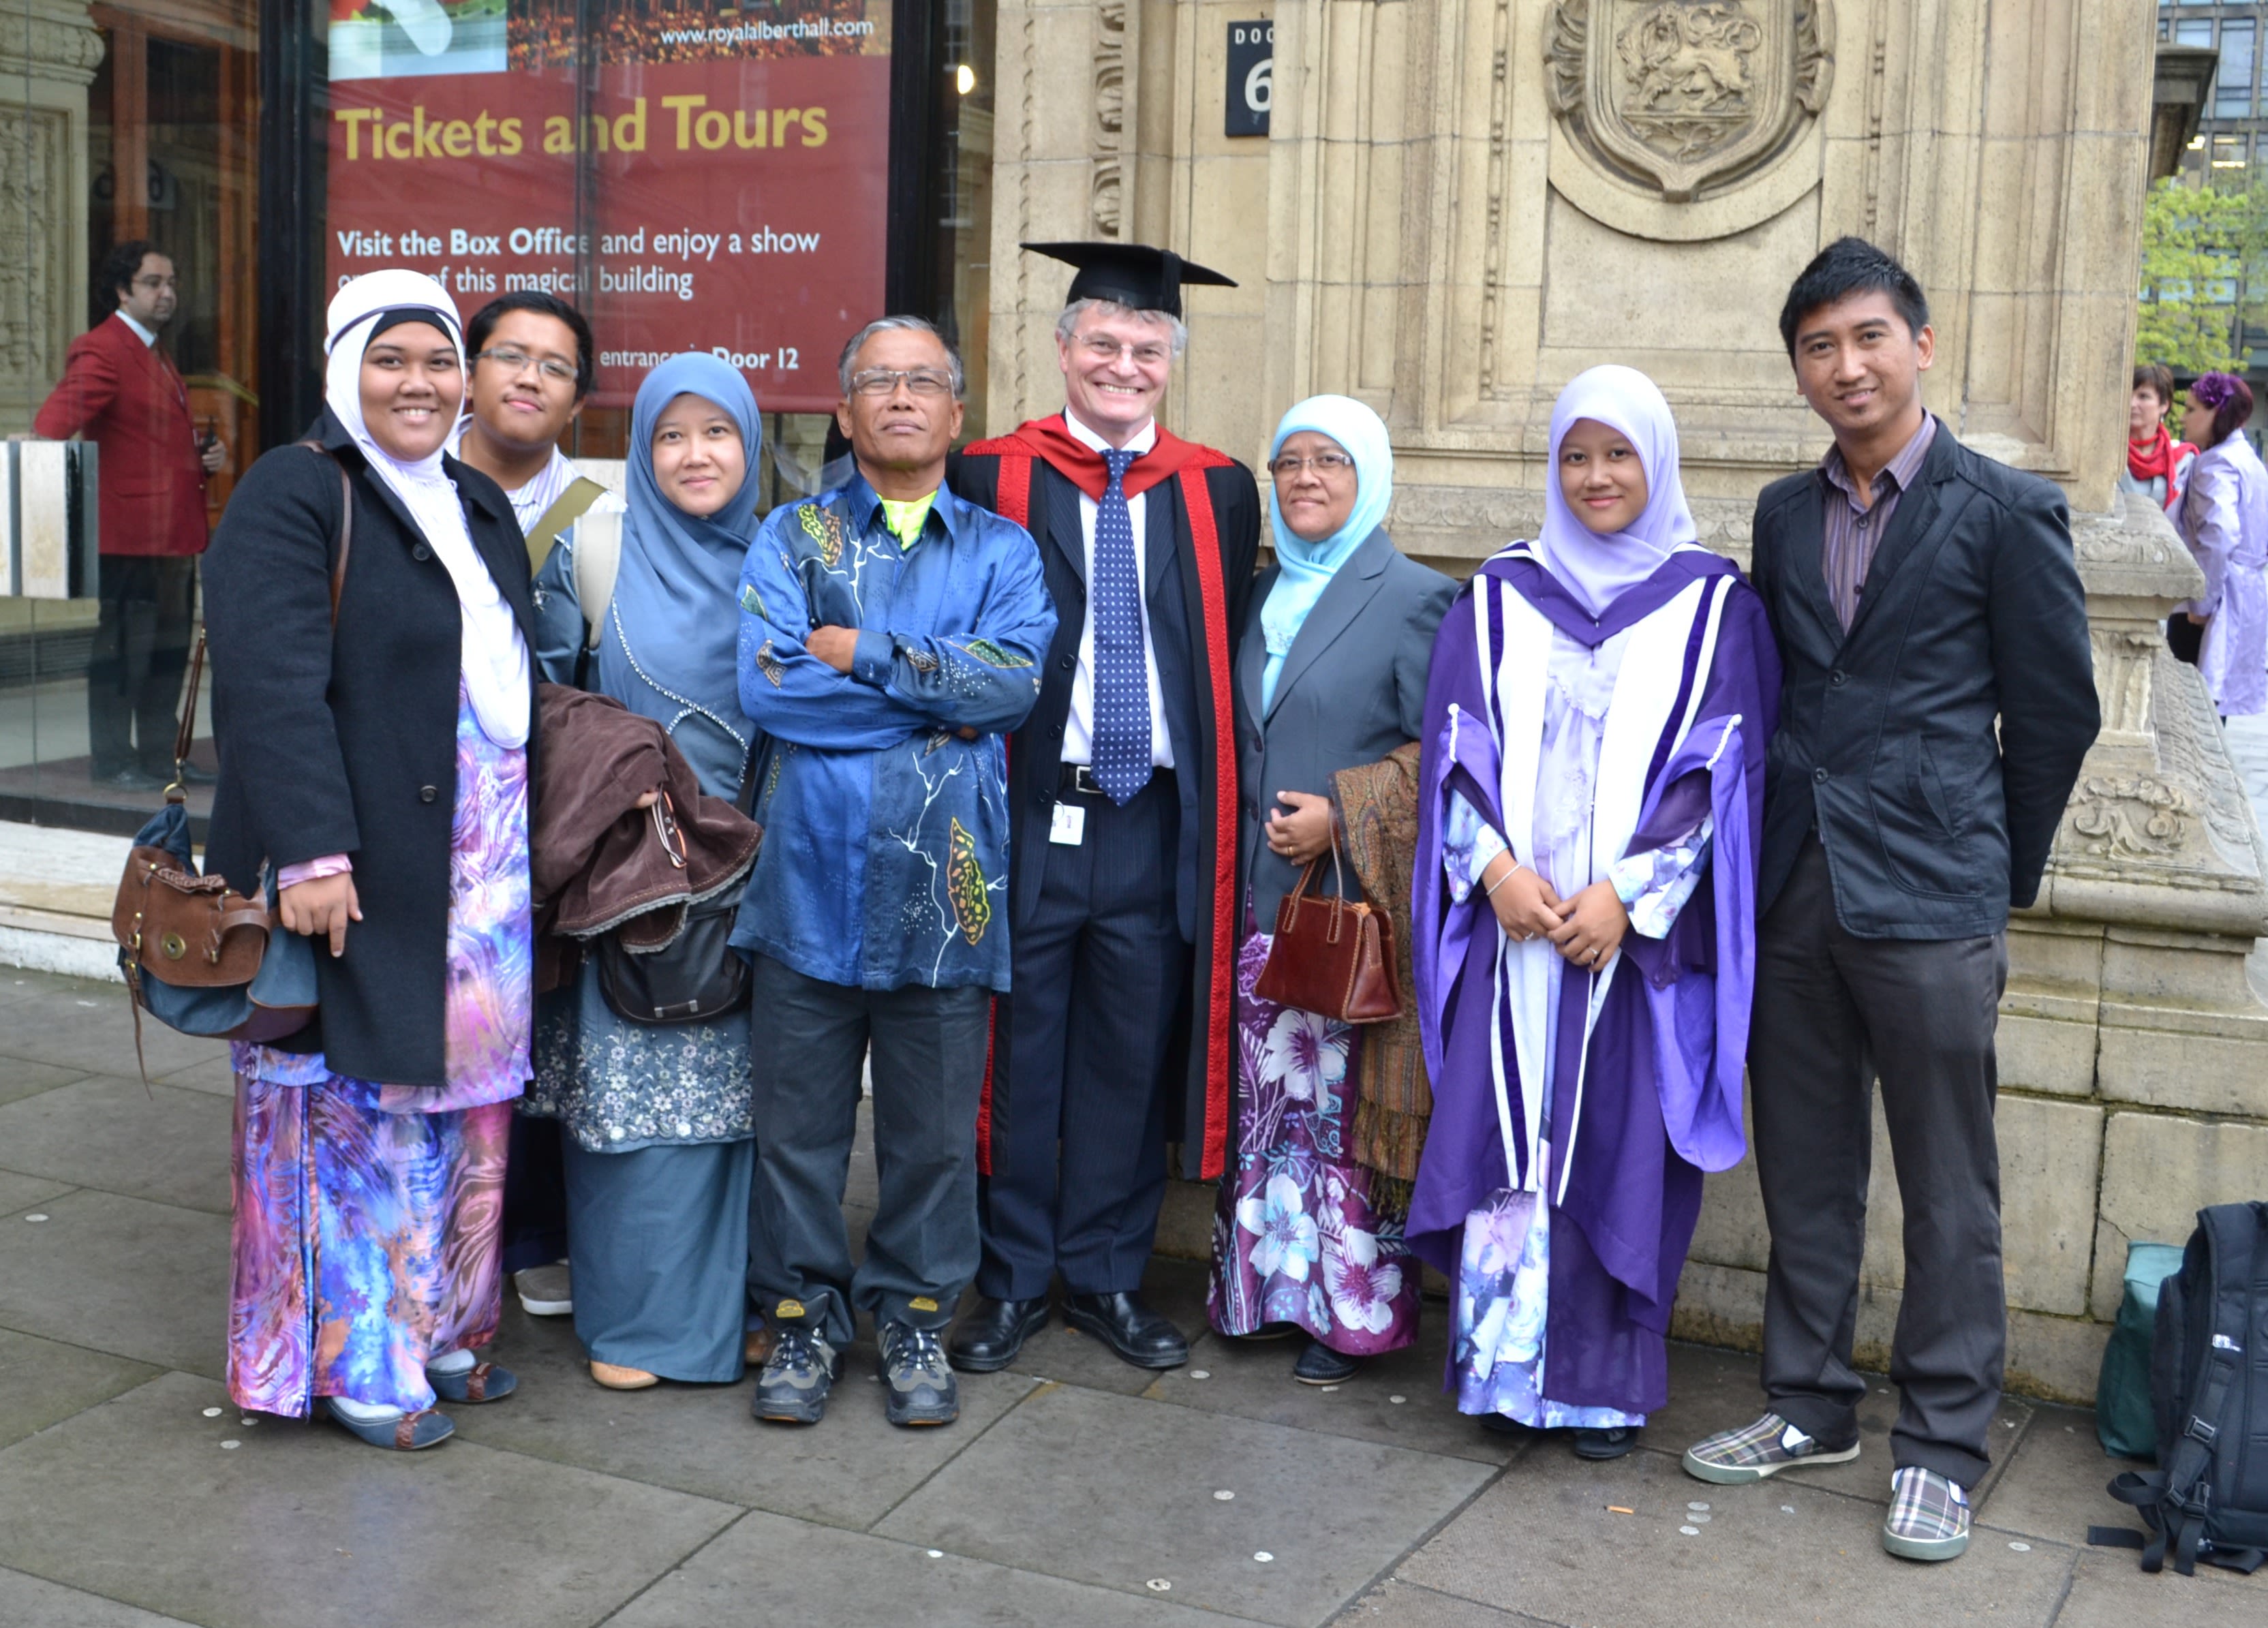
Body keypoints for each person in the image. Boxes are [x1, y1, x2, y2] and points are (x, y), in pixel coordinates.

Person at [1682, 239, 2098, 1563]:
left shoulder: (2002, 510)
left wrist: (1989, 873)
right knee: (1804, 1164)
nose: (1844, 365)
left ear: (1918, 343)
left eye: (1866, 336)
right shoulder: (1776, 515)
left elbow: (2051, 718)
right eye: (1817, 345)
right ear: (1798, 369)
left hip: (1933, 895)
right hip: (1797, 881)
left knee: (1946, 1182)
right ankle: (1807, 1403)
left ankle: (1941, 1442)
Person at [1407, 365, 1777, 1463]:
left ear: (1656, 461)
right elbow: (1454, 748)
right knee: (1507, 1139)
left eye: (1618, 454)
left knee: (1618, 1147)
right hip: (1517, 933)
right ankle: (1502, 1372)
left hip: (1631, 945)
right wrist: (1495, 873)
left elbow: (1722, 765)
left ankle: (1599, 1390)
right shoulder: (1498, 593)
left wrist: (1630, 894)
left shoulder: (1715, 603)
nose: (1596, 476)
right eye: (1576, 455)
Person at [202, 268, 539, 1451]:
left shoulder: (475, 499)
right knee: (358, 1118)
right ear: (347, 364)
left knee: (472, 1108)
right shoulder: (293, 491)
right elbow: (271, 683)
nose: (419, 382)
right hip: (359, 860)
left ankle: (449, 1328)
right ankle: (360, 1364)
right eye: (391, 357)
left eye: (439, 359)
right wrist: (308, 847)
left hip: (483, 870)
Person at [733, 316, 1056, 1428]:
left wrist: (860, 652)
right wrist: (934, 697)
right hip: (807, 884)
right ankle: (800, 1323)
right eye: (881, 381)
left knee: (927, 1137)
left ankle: (917, 1315)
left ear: (955, 412)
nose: (903, 398)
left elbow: (1009, 688)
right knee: (797, 1135)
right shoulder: (792, 536)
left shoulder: (1001, 551)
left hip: (947, 895)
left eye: (925, 382)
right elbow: (772, 690)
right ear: (846, 407)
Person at [947, 242, 1262, 1375]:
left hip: (1151, 822)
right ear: (1062, 347)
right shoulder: (991, 474)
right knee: (1017, 1048)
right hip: (1030, 812)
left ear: (1169, 361)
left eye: (1145, 348)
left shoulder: (1217, 486)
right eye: (1102, 343)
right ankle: (1012, 1276)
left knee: (1130, 1052)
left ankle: (1109, 1274)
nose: (1122, 365)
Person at [519, 354, 765, 1390]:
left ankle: (740, 1305)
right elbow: (533, 696)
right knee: (635, 1101)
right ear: (641, 447)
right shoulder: (591, 547)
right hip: (637, 879)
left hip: (763, 870)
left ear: (753, 446)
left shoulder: (787, 556)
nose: (695, 454)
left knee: (748, 1108)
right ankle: (639, 1323)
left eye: (718, 432)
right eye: (672, 434)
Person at [1205, 395, 1454, 1384]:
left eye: (1331, 462)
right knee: (1269, 1112)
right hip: (1260, 909)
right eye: (1289, 462)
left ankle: (1351, 1316)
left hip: (1350, 910)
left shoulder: (1414, 596)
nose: (1306, 478)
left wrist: (1341, 818)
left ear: (1372, 479)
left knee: (1340, 1113)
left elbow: (1444, 754)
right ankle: (1263, 1290)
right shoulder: (1257, 591)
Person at [449, 291, 624, 1322]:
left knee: (538, 1026)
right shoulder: (397, 482)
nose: (528, 377)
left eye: (554, 366)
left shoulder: (597, 515)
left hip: (534, 817)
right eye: (508, 355)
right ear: (470, 370)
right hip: (412, 808)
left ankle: (527, 1235)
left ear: (576, 400)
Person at [29, 241, 225, 790]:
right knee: (123, 652)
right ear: (122, 290)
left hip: (170, 531)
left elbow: (149, 435)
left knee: (166, 652)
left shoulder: (154, 350)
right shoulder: (103, 348)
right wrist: (34, 449)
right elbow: (54, 423)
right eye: (153, 283)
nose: (168, 293)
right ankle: (113, 760)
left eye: (172, 283)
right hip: (129, 536)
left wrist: (202, 456)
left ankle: (163, 758)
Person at [2174, 372, 2267, 720]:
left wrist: (2201, 602)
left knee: (2192, 710)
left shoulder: (2218, 463)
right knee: (2211, 709)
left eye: (2193, 409)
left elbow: (2222, 533)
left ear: (2217, 413)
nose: (2184, 418)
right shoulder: (2249, 459)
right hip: (2244, 597)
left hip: (2212, 604)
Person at [2121, 362, 2196, 523]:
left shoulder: (2184, 460)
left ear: (2164, 405)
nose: (2133, 404)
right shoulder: (2107, 452)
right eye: (2129, 394)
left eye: (2143, 397)